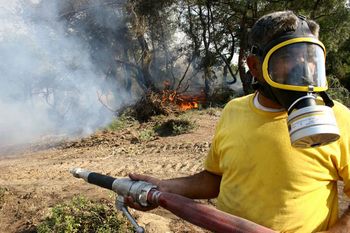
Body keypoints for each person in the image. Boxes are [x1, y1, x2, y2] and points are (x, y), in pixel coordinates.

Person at [126, 11, 350, 232]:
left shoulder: (337, 118)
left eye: (310, 58)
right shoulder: (233, 110)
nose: (304, 70)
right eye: (288, 58)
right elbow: (215, 179)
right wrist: (163, 187)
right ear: (254, 66)